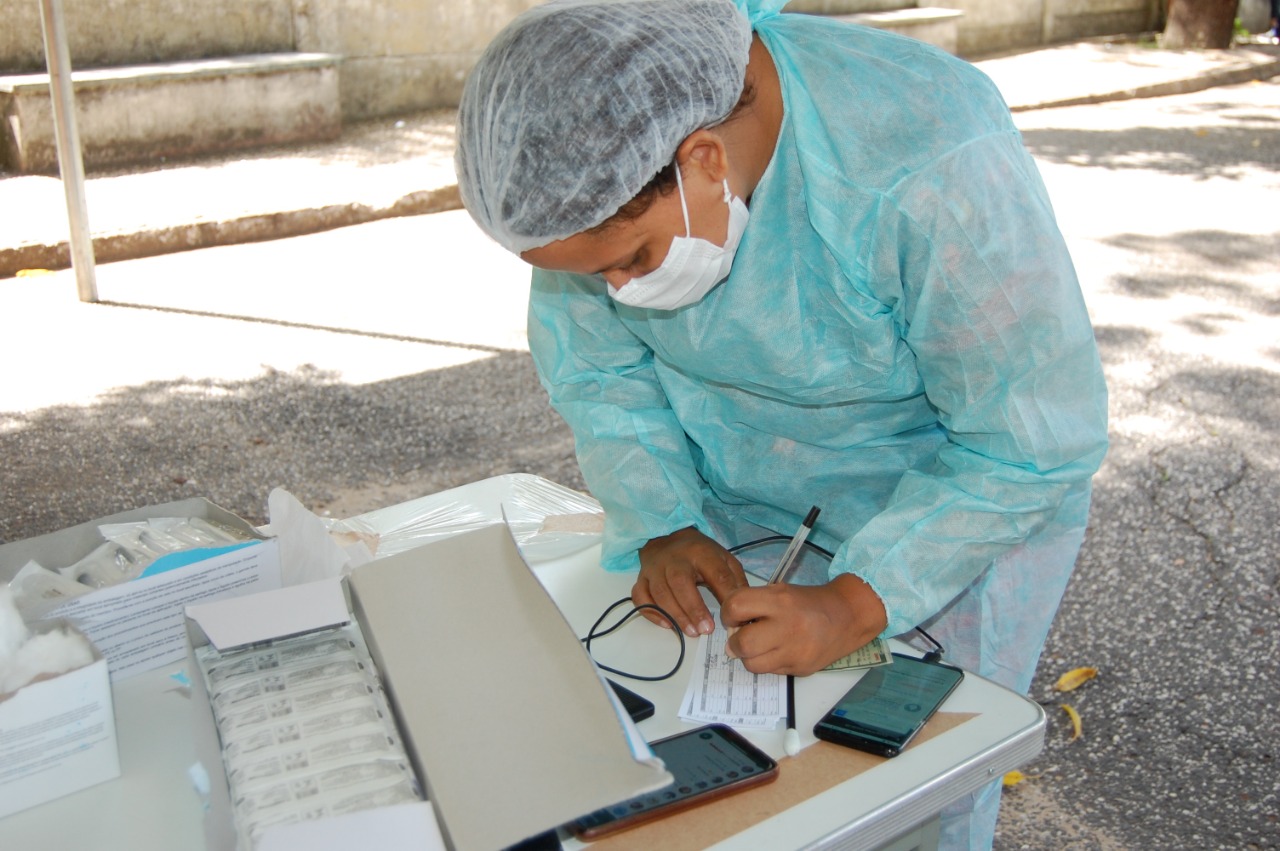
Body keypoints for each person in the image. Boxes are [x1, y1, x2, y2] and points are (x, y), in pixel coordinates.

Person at [455, 1, 1108, 847]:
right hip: (743, 499)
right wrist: (665, 521)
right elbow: (599, 371)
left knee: (909, 787)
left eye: (632, 261)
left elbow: (1028, 436)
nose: (616, 292)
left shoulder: (927, 154)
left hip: (958, 518)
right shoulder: (618, 174)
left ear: (704, 157)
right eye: (592, 275)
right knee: (754, 774)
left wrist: (857, 598)